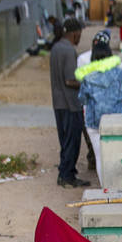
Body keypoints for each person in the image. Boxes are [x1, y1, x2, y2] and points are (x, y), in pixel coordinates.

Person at [49, 16, 89, 188]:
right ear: (74, 33)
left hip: (58, 102)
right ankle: (66, 176)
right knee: (72, 142)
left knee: (64, 140)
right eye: (79, 34)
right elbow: (70, 80)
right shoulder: (69, 50)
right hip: (70, 103)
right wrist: (86, 81)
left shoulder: (56, 48)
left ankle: (66, 174)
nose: (80, 37)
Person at [76, 30, 122, 132]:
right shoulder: (120, 74)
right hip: (117, 120)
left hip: (94, 123)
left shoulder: (87, 77)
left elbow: (82, 99)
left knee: (98, 148)